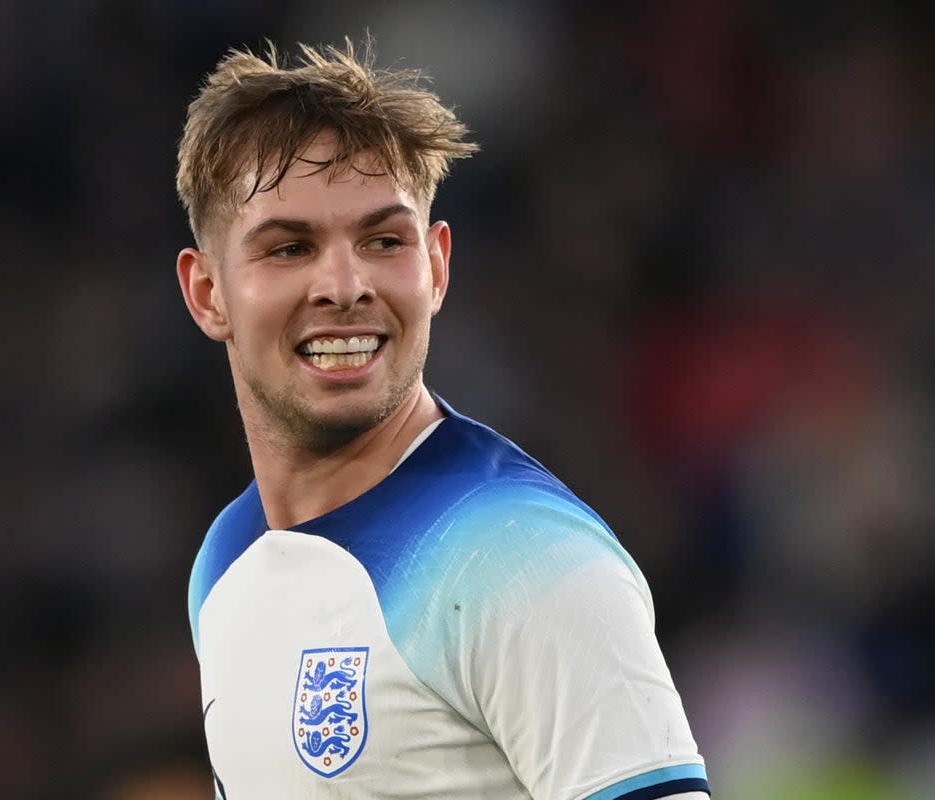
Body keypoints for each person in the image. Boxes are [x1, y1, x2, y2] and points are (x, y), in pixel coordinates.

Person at [175, 40, 710, 800]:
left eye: (383, 241)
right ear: (207, 293)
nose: (344, 284)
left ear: (437, 266)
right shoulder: (227, 562)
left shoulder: (523, 559)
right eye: (290, 248)